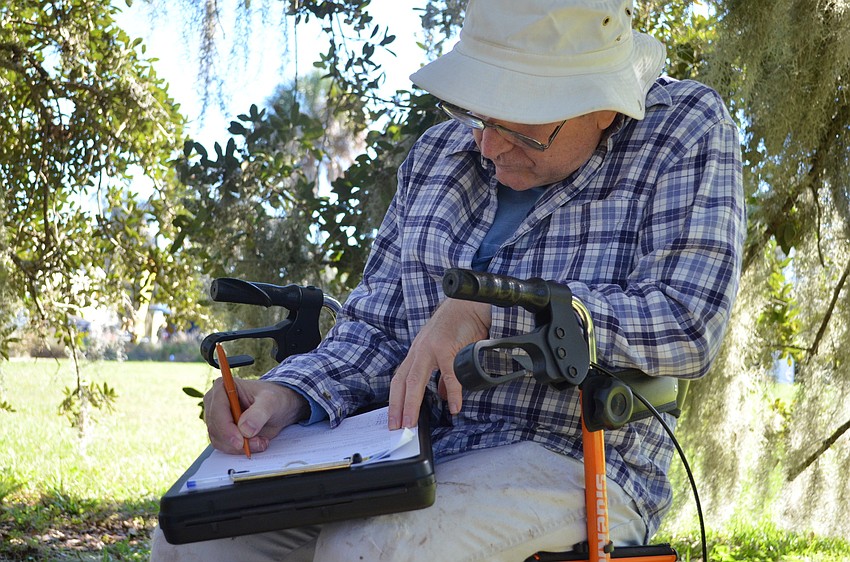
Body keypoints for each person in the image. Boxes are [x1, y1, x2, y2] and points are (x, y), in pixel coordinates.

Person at [151, 0, 746, 560]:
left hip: (576, 461)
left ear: (604, 104)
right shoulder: (438, 154)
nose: (487, 147)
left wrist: (491, 313)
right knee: (201, 537)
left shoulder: (685, 130)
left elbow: (687, 321)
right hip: (406, 449)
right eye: (479, 114)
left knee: (369, 551)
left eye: (521, 128)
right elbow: (377, 330)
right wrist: (289, 395)